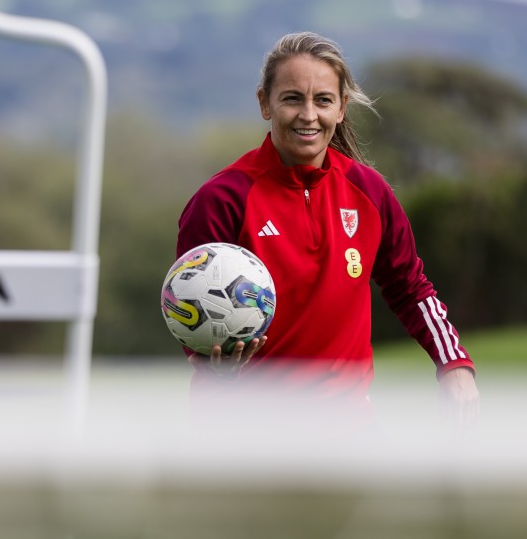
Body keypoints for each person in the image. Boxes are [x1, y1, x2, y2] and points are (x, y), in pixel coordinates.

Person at [176, 32, 479, 429]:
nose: (308, 115)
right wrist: (212, 360)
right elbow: (187, 309)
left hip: (345, 432)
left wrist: (453, 363)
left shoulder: (369, 193)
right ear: (264, 103)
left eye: (322, 100)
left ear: (341, 108)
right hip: (238, 432)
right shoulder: (223, 199)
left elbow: (411, 288)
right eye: (291, 98)